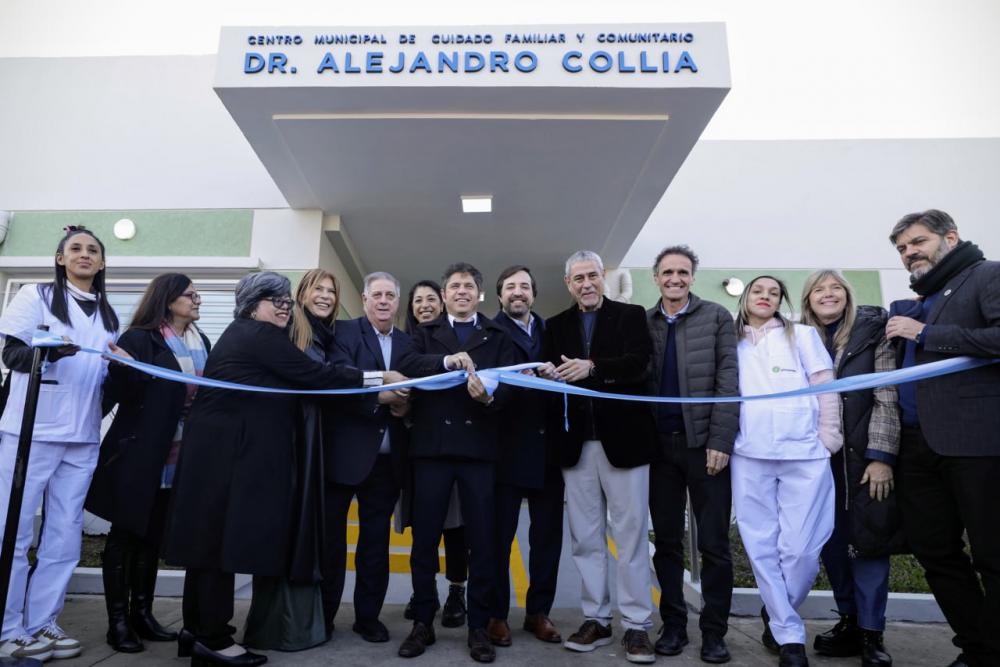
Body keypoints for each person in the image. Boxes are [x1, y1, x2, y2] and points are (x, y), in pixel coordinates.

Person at [163, 271, 400, 667]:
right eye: (276, 300)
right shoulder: (259, 335)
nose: (285, 306)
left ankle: (196, 631)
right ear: (253, 304)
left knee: (207, 546)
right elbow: (315, 376)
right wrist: (379, 378)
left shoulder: (245, 334)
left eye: (287, 300)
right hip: (226, 459)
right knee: (217, 547)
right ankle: (214, 640)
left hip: (217, 457)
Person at [0, 226, 121, 662]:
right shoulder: (36, 296)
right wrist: (50, 351)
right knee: (14, 530)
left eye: (93, 250)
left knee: (64, 534)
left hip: (82, 436)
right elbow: (11, 355)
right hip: (32, 431)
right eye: (76, 249)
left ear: (102, 263)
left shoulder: (110, 315)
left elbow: (102, 378)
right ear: (59, 258)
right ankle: (7, 626)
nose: (85, 255)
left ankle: (41, 622)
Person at [885, 209, 1000, 667]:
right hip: (919, 447)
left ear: (950, 237)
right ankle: (978, 648)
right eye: (901, 249)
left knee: (993, 555)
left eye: (917, 242)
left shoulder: (987, 276)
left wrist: (928, 333)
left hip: (977, 444)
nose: (909, 253)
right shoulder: (925, 297)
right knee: (934, 552)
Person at [396, 262, 517, 663]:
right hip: (431, 449)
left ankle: (478, 626)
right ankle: (423, 622)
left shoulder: (498, 335)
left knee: (482, 541)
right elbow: (408, 367)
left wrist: (489, 399)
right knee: (425, 541)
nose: (461, 291)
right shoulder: (424, 334)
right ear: (444, 294)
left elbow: (513, 390)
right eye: (454, 286)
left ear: (480, 294)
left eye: (469, 286)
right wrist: (445, 363)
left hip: (480, 452)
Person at [543, 250, 657, 664]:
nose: (586, 284)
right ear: (568, 285)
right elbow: (546, 373)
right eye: (578, 278)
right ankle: (596, 618)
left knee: (630, 537)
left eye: (592, 275)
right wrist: (548, 374)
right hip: (576, 447)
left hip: (625, 443)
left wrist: (592, 368)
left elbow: (639, 365)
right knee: (586, 539)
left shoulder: (631, 316)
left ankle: (637, 625)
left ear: (603, 277)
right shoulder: (554, 326)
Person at [86, 273, 209, 654]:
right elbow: (119, 393)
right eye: (190, 295)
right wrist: (123, 369)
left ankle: (143, 614)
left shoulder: (201, 341)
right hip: (139, 453)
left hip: (180, 454)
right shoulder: (139, 338)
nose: (198, 300)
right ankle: (118, 623)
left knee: (152, 536)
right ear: (168, 299)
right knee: (125, 536)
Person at [730, 275, 842, 667]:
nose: (765, 297)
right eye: (758, 291)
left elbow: (824, 385)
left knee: (801, 550)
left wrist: (828, 435)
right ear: (745, 298)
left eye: (773, 293)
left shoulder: (803, 336)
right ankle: (789, 636)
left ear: (781, 301)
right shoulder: (731, 340)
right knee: (761, 546)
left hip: (805, 452)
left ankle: (777, 614)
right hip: (749, 451)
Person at [800, 269, 900, 667]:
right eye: (819, 289)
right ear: (808, 300)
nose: (828, 295)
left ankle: (873, 634)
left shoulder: (871, 332)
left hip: (861, 459)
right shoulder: (798, 338)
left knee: (870, 541)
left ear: (847, 295)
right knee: (831, 541)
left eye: (835, 287)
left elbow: (887, 393)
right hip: (814, 461)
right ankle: (849, 622)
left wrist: (881, 456)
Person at [240, 269, 342, 652]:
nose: (326, 296)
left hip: (312, 435)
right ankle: (280, 627)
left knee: (307, 529)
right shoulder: (291, 326)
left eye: (332, 291)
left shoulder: (325, 332)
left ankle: (303, 623)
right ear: (301, 293)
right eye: (319, 288)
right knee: (290, 526)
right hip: (292, 437)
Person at [645, 246, 738, 664]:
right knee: (666, 542)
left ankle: (715, 632)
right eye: (668, 272)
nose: (675, 279)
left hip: (705, 447)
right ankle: (674, 625)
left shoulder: (716, 316)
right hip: (660, 450)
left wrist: (721, 440)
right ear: (656, 277)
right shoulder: (643, 322)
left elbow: (728, 381)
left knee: (715, 544)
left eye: (683, 272)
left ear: (692, 277)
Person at [323, 272, 412, 643]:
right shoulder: (343, 333)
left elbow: (417, 385)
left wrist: (406, 406)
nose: (383, 301)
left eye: (390, 295)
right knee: (331, 542)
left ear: (397, 301)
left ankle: (368, 617)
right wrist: (382, 391)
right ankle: (324, 616)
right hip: (345, 455)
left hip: (388, 463)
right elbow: (340, 376)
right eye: (377, 295)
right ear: (363, 299)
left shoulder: (409, 341)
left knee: (375, 545)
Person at [487, 265, 564, 647]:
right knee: (498, 540)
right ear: (499, 295)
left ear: (534, 294)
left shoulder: (552, 332)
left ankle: (539, 612)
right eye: (510, 287)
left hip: (548, 451)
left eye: (524, 287)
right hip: (504, 451)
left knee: (547, 539)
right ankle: (497, 615)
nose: (518, 292)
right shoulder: (488, 332)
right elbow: (484, 391)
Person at [401, 279, 469, 628]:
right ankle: (422, 593)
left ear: (442, 305)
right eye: (418, 300)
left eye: (431, 299)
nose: (425, 304)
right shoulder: (404, 343)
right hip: (414, 450)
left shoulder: (452, 342)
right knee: (423, 527)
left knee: (455, 524)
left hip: (452, 445)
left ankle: (457, 590)